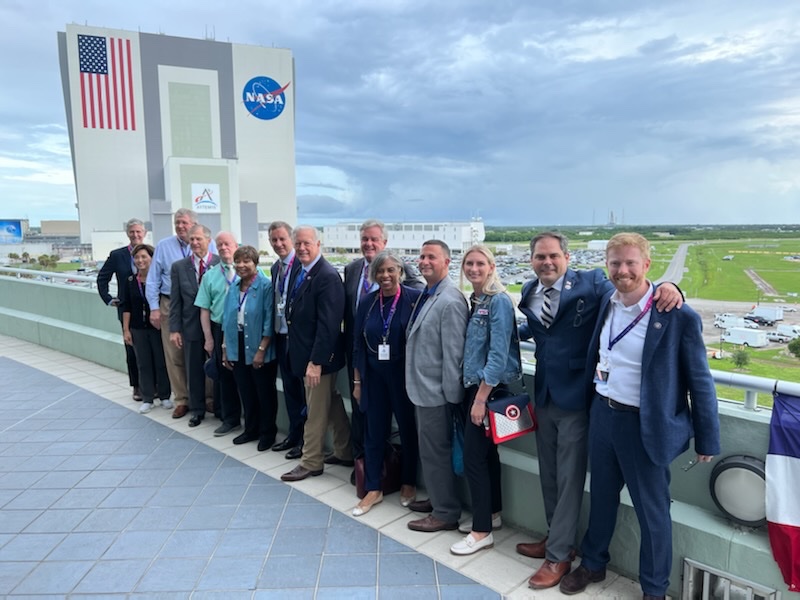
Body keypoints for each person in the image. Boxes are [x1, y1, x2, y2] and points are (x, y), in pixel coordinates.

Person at [516, 231, 684, 590]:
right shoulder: (529, 291)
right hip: (544, 394)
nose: (547, 262)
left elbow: (627, 283)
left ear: (566, 257)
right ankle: (555, 537)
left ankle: (559, 555)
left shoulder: (592, 282)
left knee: (570, 480)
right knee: (550, 477)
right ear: (531, 260)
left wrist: (669, 287)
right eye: (539, 257)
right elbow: (538, 332)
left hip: (580, 399)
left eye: (553, 256)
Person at [559, 233, 720, 599]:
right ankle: (594, 564)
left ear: (647, 265)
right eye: (615, 262)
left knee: (653, 512)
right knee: (601, 497)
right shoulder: (606, 301)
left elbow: (700, 379)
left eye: (631, 262)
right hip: (603, 416)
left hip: (644, 425)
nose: (623, 270)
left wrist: (707, 437)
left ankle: (653, 589)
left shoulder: (676, 314)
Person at [450, 245, 523, 555]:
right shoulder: (475, 299)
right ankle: (492, 515)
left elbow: (496, 355)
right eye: (469, 263)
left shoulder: (499, 302)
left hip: (487, 391)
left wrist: (480, 399)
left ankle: (481, 532)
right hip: (474, 387)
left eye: (481, 263)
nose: (474, 268)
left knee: (474, 459)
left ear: (492, 267)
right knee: (488, 455)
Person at [342, 219, 423, 477]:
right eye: (365, 239)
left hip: (400, 369)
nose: (369, 243)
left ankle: (402, 474)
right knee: (365, 418)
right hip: (366, 363)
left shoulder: (409, 285)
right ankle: (366, 471)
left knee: (404, 424)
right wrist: (356, 377)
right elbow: (352, 322)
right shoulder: (354, 273)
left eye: (374, 239)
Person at [350, 250, 422, 516]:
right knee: (373, 431)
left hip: (404, 378)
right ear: (374, 274)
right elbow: (357, 343)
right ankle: (373, 488)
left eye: (391, 270)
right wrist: (357, 381)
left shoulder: (414, 299)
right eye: (381, 271)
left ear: (400, 272)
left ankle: (408, 482)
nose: (386, 275)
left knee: (407, 429)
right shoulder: (367, 302)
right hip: (373, 377)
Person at [405, 240, 469, 532]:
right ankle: (437, 498)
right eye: (421, 256)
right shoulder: (428, 294)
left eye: (431, 257)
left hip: (438, 394)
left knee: (436, 452)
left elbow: (454, 356)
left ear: (446, 262)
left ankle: (445, 512)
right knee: (429, 451)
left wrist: (451, 399)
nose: (424, 261)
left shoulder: (451, 300)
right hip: (422, 389)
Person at [280, 226, 352, 482]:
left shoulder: (327, 276)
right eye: (298, 243)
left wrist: (316, 362)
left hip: (318, 359)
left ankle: (311, 461)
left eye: (307, 243)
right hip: (303, 354)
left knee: (315, 410)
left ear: (318, 244)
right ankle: (345, 450)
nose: (301, 248)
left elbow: (329, 325)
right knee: (330, 404)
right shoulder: (302, 271)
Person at [146, 208, 216, 418]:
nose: (180, 227)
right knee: (175, 354)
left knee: (207, 354)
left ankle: (209, 399)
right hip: (173, 304)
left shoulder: (209, 245)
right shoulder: (164, 246)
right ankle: (183, 399)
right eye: (177, 223)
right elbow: (153, 278)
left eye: (184, 223)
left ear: (195, 225)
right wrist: (154, 308)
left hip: (207, 308)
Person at [221, 246, 278, 451]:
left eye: (246, 261)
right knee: (245, 391)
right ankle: (250, 429)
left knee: (264, 393)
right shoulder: (234, 287)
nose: (241, 265)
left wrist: (261, 349)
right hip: (237, 344)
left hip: (258, 344)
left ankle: (267, 433)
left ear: (255, 263)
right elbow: (227, 319)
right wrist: (226, 348)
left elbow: (269, 320)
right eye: (238, 261)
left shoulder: (265, 286)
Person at [169, 224, 219, 427]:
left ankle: (220, 407)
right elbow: (175, 301)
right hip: (190, 326)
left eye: (199, 239)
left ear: (208, 240)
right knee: (193, 369)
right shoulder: (179, 267)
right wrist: (174, 329)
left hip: (215, 326)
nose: (195, 243)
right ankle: (197, 410)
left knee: (218, 368)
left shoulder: (219, 262)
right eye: (192, 240)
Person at [195, 231, 241, 437]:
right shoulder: (210, 275)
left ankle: (250, 418)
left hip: (243, 330)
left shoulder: (248, 271)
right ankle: (229, 418)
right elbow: (204, 309)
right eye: (220, 244)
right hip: (219, 329)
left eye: (227, 244)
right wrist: (209, 338)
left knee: (246, 376)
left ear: (236, 246)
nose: (224, 247)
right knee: (223, 376)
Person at [267, 221, 306, 460]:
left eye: (282, 239)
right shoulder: (275, 268)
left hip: (299, 340)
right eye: (274, 240)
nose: (279, 244)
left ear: (291, 239)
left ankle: (305, 441)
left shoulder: (303, 266)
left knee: (303, 394)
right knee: (291, 391)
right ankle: (293, 434)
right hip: (281, 337)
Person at [96, 218, 146, 401]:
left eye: (139, 231)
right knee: (132, 348)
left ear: (145, 233)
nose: (135, 235)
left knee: (153, 347)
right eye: (132, 232)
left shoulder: (151, 252)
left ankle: (155, 385)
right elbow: (102, 278)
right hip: (127, 310)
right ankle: (137, 386)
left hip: (149, 308)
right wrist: (108, 299)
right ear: (127, 234)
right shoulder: (118, 255)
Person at [120, 244, 170, 414]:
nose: (140, 260)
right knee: (143, 363)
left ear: (152, 259)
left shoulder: (159, 280)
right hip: (137, 328)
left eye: (144, 257)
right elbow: (126, 307)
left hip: (157, 327)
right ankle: (147, 397)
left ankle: (164, 395)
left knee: (161, 361)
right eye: (137, 257)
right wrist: (126, 330)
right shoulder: (130, 281)